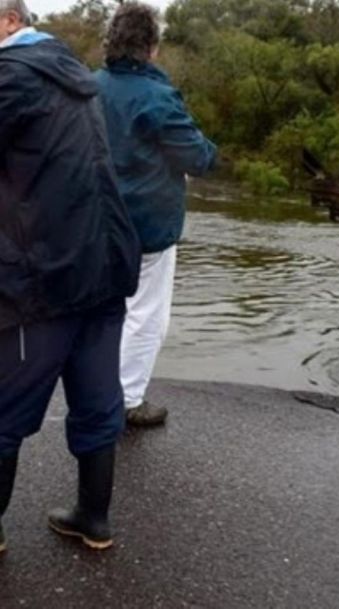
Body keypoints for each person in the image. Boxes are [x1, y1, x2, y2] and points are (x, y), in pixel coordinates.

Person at [0, 0, 141, 552]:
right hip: (104, 265)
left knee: (5, 405)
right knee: (97, 395)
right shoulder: (73, 73)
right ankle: (93, 518)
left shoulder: (11, 78)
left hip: (47, 277)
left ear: (8, 21)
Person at [96, 3, 217, 428]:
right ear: (151, 49)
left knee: (104, 312)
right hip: (146, 226)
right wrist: (207, 148)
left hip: (95, 224)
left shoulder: (89, 88)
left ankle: (95, 393)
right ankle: (127, 400)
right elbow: (198, 158)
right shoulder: (157, 97)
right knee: (146, 315)